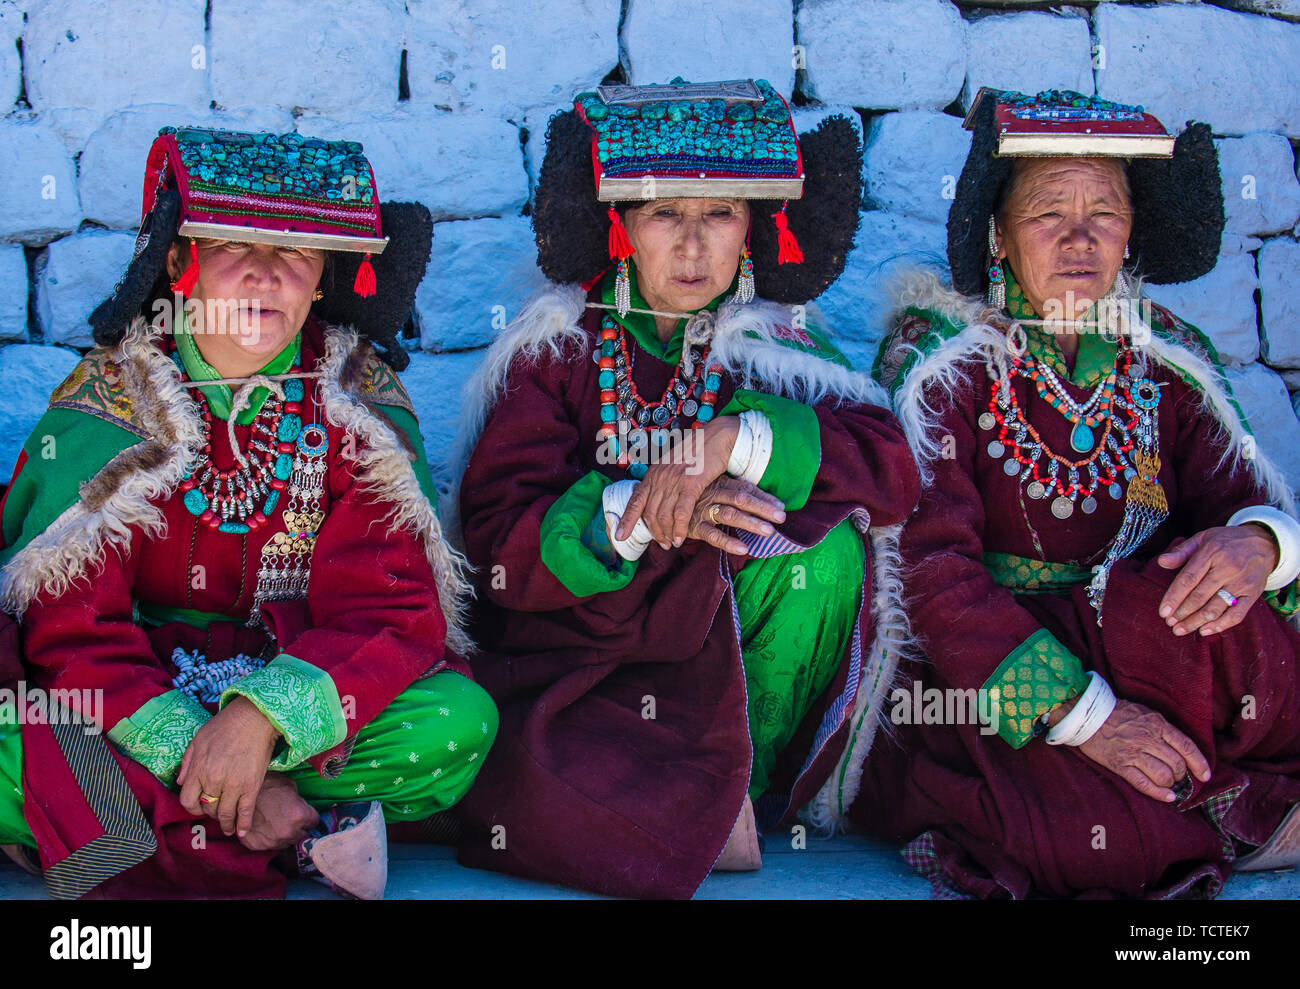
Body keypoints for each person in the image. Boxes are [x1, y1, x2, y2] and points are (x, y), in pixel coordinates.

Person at [0, 125, 497, 899]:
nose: (264, 276)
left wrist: (258, 720)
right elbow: (70, 632)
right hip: (130, 703)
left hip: (286, 690)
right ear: (177, 260)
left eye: (295, 254)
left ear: (324, 277)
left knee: (455, 724)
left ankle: (142, 822)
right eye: (234, 244)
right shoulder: (110, 402)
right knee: (9, 737)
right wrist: (197, 746)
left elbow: (395, 608)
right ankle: (280, 820)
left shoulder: (357, 405)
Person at [451, 78, 920, 898]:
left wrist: (738, 439)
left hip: (725, 659)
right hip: (594, 662)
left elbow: (891, 472)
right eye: (667, 214)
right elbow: (499, 536)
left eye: (722, 216)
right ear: (622, 225)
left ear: (757, 227)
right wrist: (647, 514)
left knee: (826, 552)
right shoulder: (559, 351)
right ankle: (694, 802)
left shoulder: (777, 350)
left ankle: (747, 781)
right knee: (541, 778)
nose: (695, 248)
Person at [855, 88, 1300, 898]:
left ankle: (1197, 790)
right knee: (1079, 843)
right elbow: (929, 576)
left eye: (1105, 211)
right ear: (997, 234)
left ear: (1133, 230)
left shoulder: (1169, 356)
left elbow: (1243, 500)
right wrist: (1092, 720)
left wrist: (1259, 543)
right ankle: (1238, 808)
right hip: (996, 675)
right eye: (1048, 212)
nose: (1079, 238)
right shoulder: (944, 361)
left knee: (1220, 606)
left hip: (1149, 648)